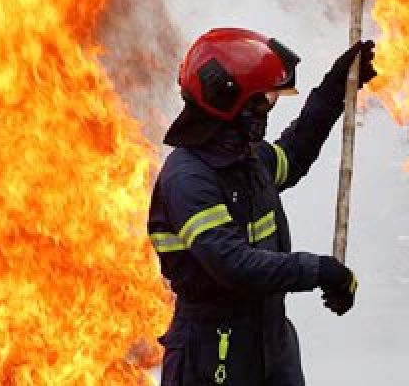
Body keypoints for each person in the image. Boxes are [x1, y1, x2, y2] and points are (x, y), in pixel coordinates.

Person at [148, 28, 376, 386]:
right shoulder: (188, 177)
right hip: (214, 352)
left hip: (270, 342)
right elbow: (232, 264)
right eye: (263, 100)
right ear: (226, 98)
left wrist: (334, 92)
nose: (268, 108)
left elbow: (294, 152)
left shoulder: (246, 163)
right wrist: (317, 271)